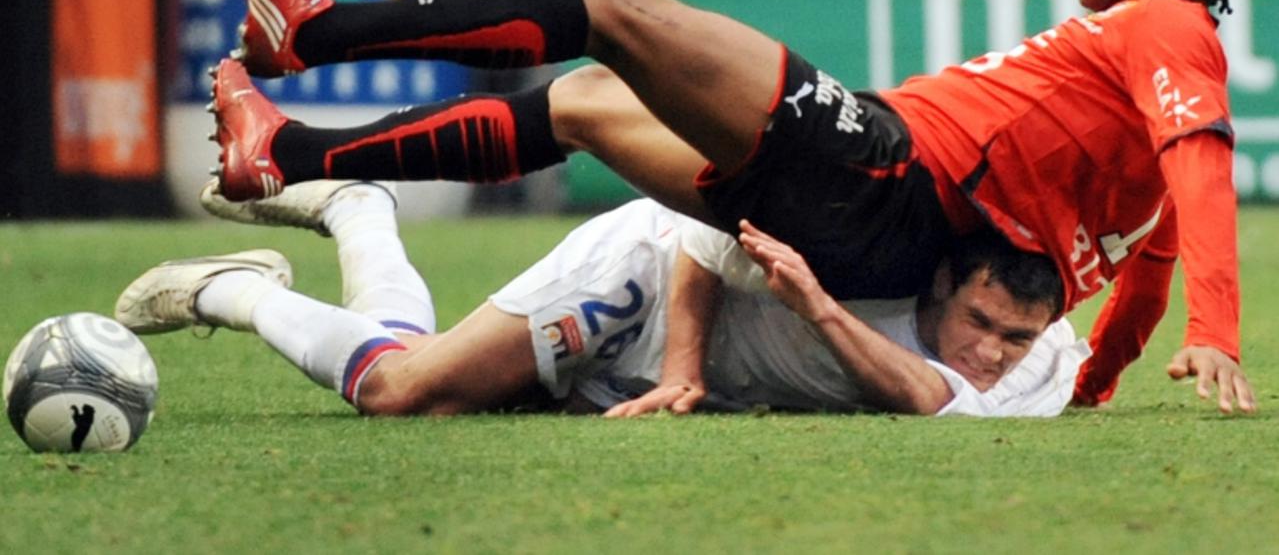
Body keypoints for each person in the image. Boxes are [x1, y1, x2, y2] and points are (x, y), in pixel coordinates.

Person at [211, 0, 1255, 413]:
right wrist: (1097, 385)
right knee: (581, 105)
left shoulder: (1162, 25)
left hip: (885, 179)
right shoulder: (1132, 148)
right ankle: (290, 156)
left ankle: (313, 28)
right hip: (876, 218)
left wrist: (1212, 332)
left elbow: (1199, 164)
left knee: (615, 1)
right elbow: (1151, 269)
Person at [115, 181, 1087, 417]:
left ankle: (363, 216)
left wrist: (813, 310)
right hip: (643, 273)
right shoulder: (863, 237)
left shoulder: (1047, 359)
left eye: (1015, 335)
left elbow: (934, 404)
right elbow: (707, 228)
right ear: (940, 281)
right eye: (980, 323)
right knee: (404, 392)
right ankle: (234, 293)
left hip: (659, 370)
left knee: (427, 367)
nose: (995, 350)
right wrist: (683, 367)